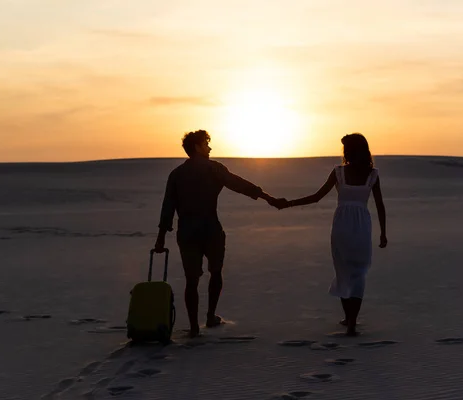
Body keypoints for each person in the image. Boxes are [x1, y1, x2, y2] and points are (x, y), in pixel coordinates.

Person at [154, 130, 282, 337]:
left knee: (191, 280)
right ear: (196, 147)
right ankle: (210, 316)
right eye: (206, 144)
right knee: (215, 272)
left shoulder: (177, 174)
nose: (210, 148)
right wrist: (268, 198)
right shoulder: (214, 169)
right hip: (210, 228)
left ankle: (194, 327)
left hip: (187, 231)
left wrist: (160, 238)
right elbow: (240, 185)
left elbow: (167, 207)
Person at [278, 133, 387, 336]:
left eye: (346, 149)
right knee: (357, 271)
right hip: (361, 225)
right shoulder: (368, 174)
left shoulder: (345, 173)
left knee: (345, 269)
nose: (344, 152)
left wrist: (289, 203)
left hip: (343, 225)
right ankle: (352, 320)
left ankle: (349, 318)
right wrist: (383, 233)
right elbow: (379, 205)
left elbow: (317, 197)